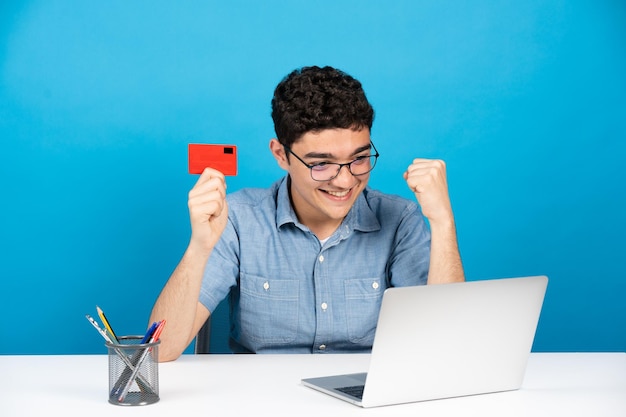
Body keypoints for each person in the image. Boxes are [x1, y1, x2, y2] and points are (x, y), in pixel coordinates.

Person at [150, 66, 464, 361]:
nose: (344, 180)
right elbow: (159, 352)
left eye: (360, 158)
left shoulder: (399, 218)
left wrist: (443, 221)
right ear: (281, 155)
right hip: (262, 398)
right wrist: (199, 247)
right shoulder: (238, 219)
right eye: (321, 163)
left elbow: (446, 343)